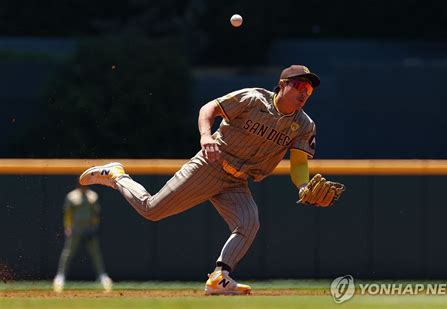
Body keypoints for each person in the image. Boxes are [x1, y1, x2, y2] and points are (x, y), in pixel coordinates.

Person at [79, 65, 320, 295]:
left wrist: (303, 186)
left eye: (309, 90)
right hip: (210, 165)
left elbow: (299, 163)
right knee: (151, 209)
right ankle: (116, 175)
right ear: (282, 85)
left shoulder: (304, 125)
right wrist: (206, 136)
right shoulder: (253, 99)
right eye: (299, 85)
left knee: (249, 223)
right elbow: (208, 109)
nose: (304, 93)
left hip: (237, 182)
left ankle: (219, 277)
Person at [53, 183, 113, 293]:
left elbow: (96, 214)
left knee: (95, 254)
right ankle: (60, 277)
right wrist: (68, 226)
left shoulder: (93, 196)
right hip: (76, 228)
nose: (83, 186)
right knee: (68, 253)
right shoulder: (72, 196)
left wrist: (94, 226)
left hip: (88, 227)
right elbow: (67, 213)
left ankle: (102, 276)